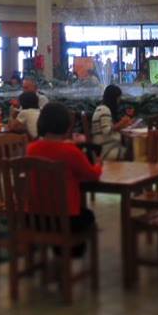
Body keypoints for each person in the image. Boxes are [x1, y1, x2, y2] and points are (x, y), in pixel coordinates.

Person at [26, 102, 101, 255]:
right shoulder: (70, 151)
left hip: (34, 218)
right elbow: (91, 175)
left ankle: (58, 250)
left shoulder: (31, 148)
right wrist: (99, 164)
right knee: (88, 216)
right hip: (65, 219)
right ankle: (71, 251)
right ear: (66, 125)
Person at [91, 84, 133, 159]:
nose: (119, 101)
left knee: (131, 148)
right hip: (106, 150)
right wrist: (121, 123)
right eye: (118, 98)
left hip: (106, 147)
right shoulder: (104, 110)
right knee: (133, 152)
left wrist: (123, 123)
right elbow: (107, 130)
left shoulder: (102, 109)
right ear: (113, 99)